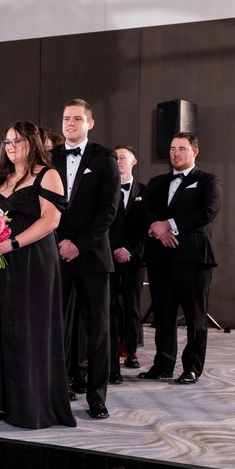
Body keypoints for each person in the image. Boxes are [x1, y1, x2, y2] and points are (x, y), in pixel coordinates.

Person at [0, 120, 76, 429]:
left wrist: (12, 243)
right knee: (2, 326)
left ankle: (31, 407)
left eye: (18, 140)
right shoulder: (3, 179)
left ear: (33, 143)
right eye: (7, 142)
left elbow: (51, 221)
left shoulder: (48, 175)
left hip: (32, 262)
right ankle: (0, 402)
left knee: (28, 329)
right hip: (0, 263)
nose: (11, 146)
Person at [50, 98, 120, 420]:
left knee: (98, 331)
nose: (70, 123)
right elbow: (43, 205)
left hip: (92, 256)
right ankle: (57, 388)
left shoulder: (104, 157)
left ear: (90, 123)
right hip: (56, 255)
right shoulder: (50, 158)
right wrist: (60, 243)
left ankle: (97, 397)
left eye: (77, 118)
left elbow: (108, 210)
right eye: (67, 118)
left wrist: (77, 244)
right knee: (56, 327)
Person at [137, 132, 222, 385]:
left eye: (182, 148)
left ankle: (192, 368)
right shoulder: (156, 182)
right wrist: (158, 228)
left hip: (193, 260)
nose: (175, 153)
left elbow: (207, 212)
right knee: (163, 316)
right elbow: (143, 209)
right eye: (173, 148)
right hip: (160, 258)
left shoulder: (208, 181)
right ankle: (163, 365)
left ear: (194, 152)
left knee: (195, 318)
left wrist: (169, 225)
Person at [107, 146, 147, 383]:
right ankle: (111, 355)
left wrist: (129, 250)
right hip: (107, 256)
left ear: (134, 161)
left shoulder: (145, 190)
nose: (119, 161)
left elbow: (146, 226)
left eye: (123, 157)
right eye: (115, 158)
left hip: (134, 257)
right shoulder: (104, 189)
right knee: (109, 307)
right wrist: (111, 250)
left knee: (132, 306)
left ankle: (131, 352)